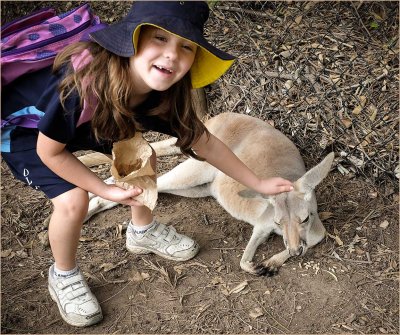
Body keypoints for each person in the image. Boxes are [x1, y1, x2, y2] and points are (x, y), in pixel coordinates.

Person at [1, 1, 293, 327]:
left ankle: (141, 231)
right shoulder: (86, 83)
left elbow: (206, 143)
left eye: (186, 46)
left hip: (89, 120)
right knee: (74, 200)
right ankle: (63, 274)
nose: (172, 54)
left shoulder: (163, 92)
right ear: (131, 42)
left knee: (141, 154)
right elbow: (50, 152)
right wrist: (102, 189)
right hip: (28, 133)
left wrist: (259, 183)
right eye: (160, 39)